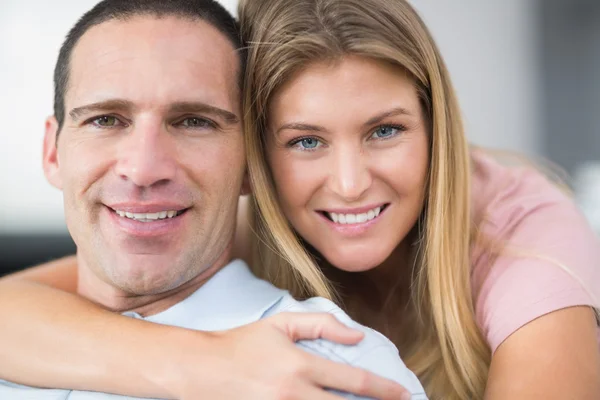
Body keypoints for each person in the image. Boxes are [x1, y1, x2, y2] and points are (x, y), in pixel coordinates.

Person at [1, 0, 599, 398]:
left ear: (437, 127)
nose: (348, 183)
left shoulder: (529, 246)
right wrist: (209, 363)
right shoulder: (237, 211)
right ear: (257, 160)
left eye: (384, 130)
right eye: (306, 140)